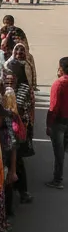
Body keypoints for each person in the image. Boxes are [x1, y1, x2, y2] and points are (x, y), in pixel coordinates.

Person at [45, 55, 68, 189]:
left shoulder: (59, 84)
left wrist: (48, 125)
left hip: (59, 123)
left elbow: (54, 107)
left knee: (59, 153)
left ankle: (57, 180)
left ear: (61, 68)